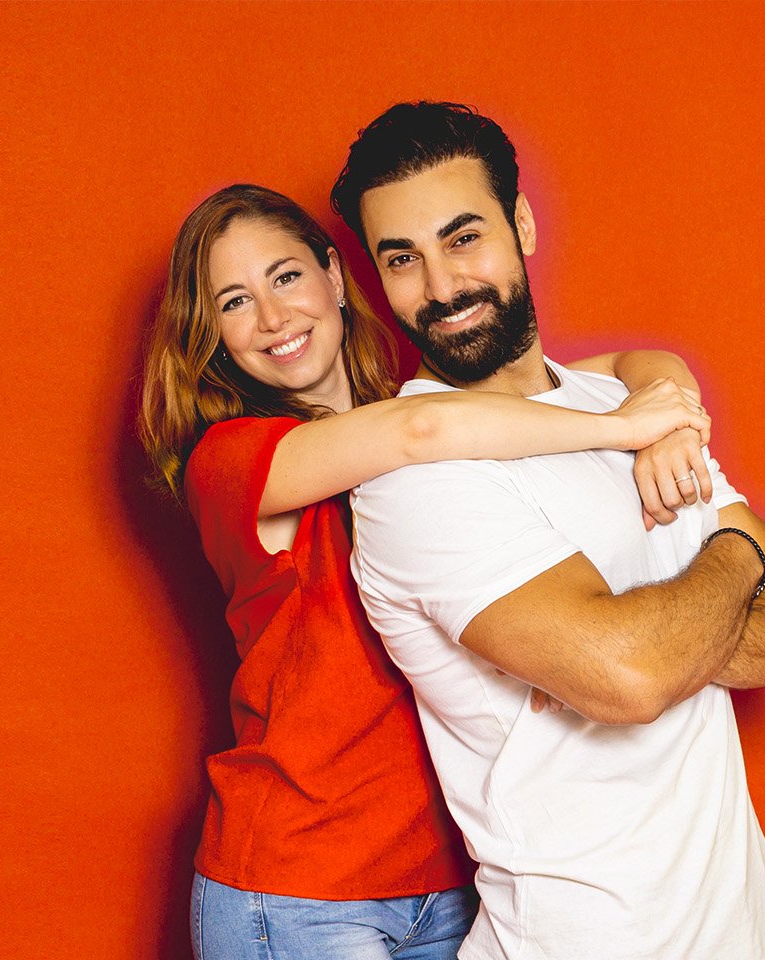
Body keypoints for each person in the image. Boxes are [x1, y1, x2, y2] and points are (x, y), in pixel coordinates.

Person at [138, 183, 714, 960]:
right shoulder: (231, 461)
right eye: (234, 301)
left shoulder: (426, 406)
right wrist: (621, 427)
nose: (274, 318)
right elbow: (418, 430)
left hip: (452, 884)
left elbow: (620, 360)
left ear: (335, 279)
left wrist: (662, 404)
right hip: (300, 892)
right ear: (210, 335)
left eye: (286, 277)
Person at [332, 102, 765, 960]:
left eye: (463, 238)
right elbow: (630, 677)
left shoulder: (620, 409)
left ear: (521, 223)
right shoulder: (411, 481)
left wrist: (659, 634)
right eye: (401, 259)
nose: (442, 288)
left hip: (746, 934)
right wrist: (739, 548)